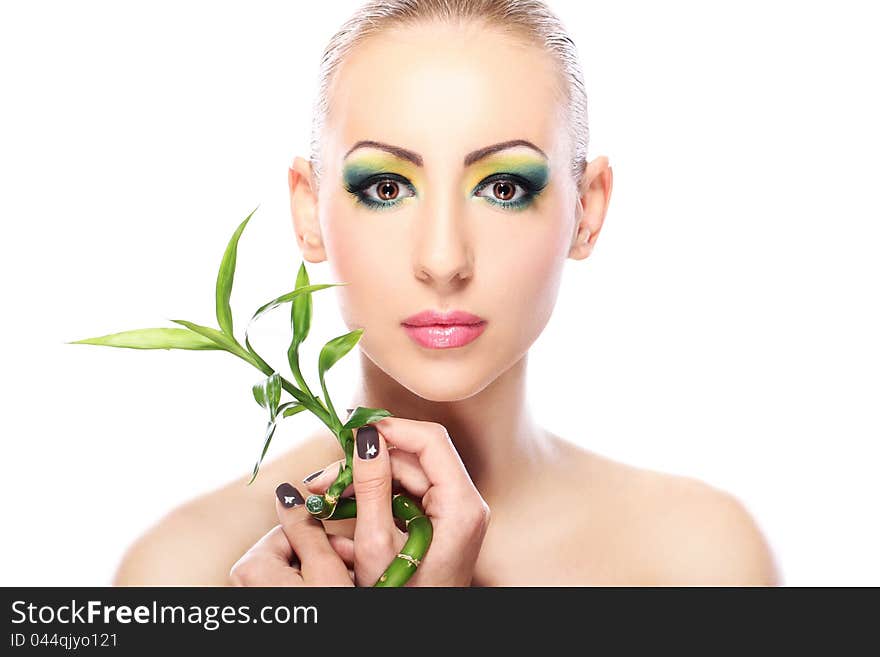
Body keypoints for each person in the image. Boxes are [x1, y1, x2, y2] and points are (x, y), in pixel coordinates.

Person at [113, 0, 780, 586]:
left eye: (503, 187)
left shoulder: (703, 560)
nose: (442, 259)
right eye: (385, 187)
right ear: (309, 211)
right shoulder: (182, 572)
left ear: (588, 210)